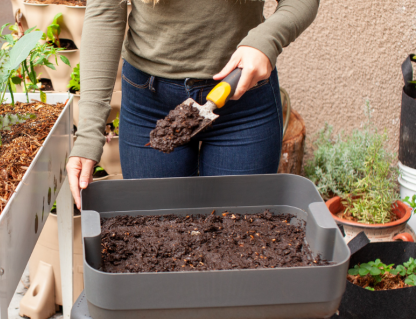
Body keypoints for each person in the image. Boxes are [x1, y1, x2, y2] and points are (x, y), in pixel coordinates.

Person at [67, 0, 319, 208]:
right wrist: (89, 134)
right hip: (150, 103)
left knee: (238, 240)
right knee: (157, 235)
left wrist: (267, 39)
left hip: (242, 102)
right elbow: (105, 14)